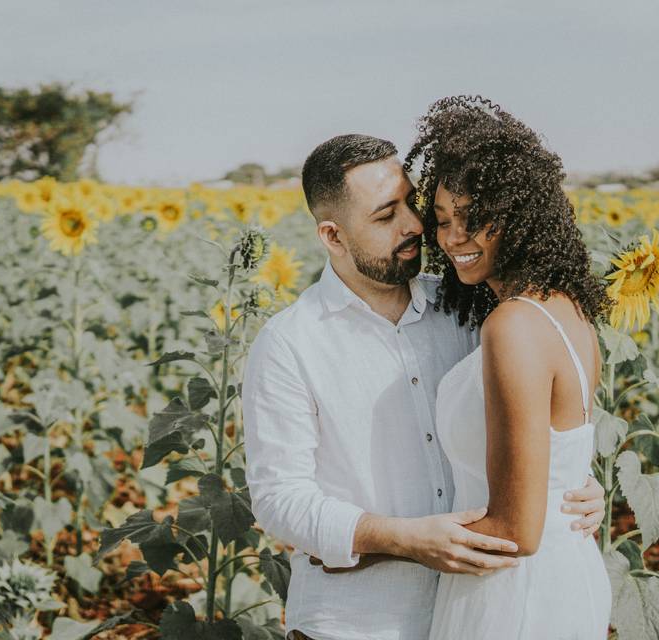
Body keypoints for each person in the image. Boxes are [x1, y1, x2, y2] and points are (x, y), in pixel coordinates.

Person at [241, 132, 606, 640]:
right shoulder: (290, 343)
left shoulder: (469, 307)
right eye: (385, 216)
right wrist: (400, 539)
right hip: (358, 622)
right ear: (332, 235)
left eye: (412, 203)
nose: (415, 226)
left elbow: (540, 406)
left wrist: (573, 486)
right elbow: (280, 498)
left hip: (479, 608)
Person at [401, 95, 613, 638]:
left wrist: (379, 547)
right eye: (442, 221)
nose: (452, 239)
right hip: (561, 576)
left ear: (519, 215)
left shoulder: (513, 325)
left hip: (514, 594)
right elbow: (559, 465)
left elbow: (515, 532)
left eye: (473, 219)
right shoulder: (566, 309)